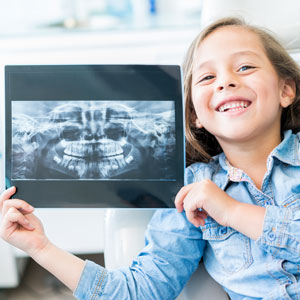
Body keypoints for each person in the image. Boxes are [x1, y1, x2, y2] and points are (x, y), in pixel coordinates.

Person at [1, 16, 300, 299]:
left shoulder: (216, 198)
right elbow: (141, 292)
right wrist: (40, 247)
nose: (225, 82)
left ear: (286, 90)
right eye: (207, 76)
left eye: (245, 67)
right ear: (194, 114)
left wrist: (232, 212)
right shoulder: (191, 190)